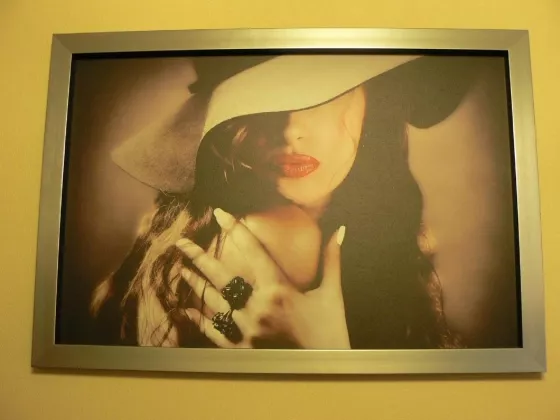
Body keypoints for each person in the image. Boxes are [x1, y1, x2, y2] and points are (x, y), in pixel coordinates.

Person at [91, 54, 475, 349]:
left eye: (321, 93)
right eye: (263, 101)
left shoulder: (195, 223)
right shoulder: (276, 236)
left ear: (371, 102)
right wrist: (324, 356)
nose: (291, 130)